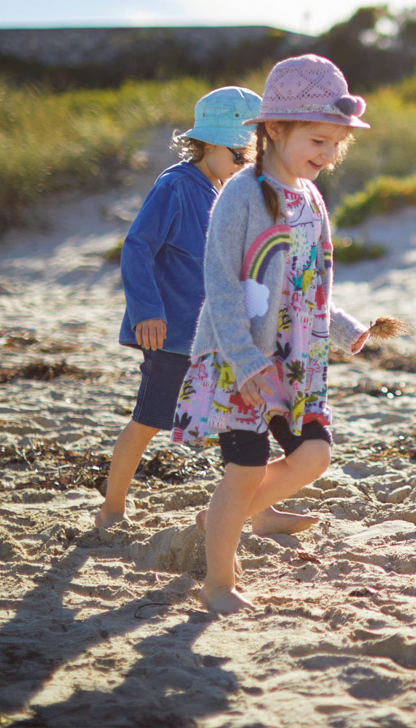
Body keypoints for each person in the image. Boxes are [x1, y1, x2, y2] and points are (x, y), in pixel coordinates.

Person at [172, 55, 376, 614]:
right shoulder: (241, 194)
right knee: (241, 472)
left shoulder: (311, 199)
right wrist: (244, 359)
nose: (329, 154)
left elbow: (307, 283)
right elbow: (219, 282)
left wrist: (343, 327)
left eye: (337, 144)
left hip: (296, 365)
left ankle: (230, 516)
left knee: (313, 457)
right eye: (318, 139)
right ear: (275, 129)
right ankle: (218, 580)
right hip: (244, 361)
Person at [95, 86, 262, 529]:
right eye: (240, 155)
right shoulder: (175, 186)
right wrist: (146, 310)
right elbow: (137, 247)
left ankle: (261, 510)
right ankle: (112, 507)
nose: (246, 166)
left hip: (216, 334)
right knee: (149, 419)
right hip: (169, 334)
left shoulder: (223, 193)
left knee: (240, 423)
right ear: (209, 143)